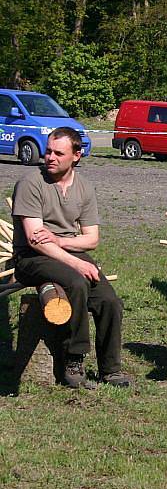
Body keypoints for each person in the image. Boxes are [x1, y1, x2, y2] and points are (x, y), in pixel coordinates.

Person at [12, 127, 131, 388]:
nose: (50, 158)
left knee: (110, 301)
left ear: (76, 155)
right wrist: (76, 262)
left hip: (67, 250)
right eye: (48, 152)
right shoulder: (30, 184)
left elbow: (92, 239)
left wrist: (61, 241)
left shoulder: (84, 187)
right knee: (76, 283)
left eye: (58, 153)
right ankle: (73, 358)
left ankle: (110, 369)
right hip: (32, 258)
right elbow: (35, 239)